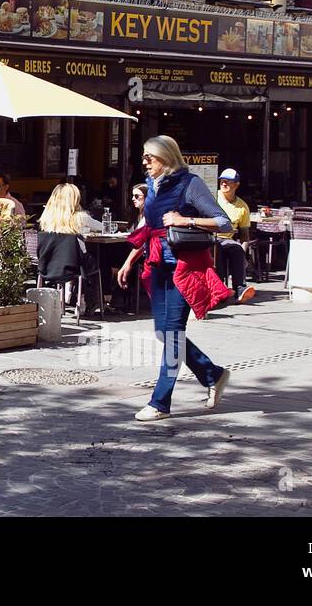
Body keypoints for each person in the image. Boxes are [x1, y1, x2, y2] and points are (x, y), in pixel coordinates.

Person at [128, 135, 232, 423]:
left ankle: (160, 402)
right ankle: (213, 373)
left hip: (182, 268)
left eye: (150, 157)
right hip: (157, 263)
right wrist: (130, 261)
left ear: (166, 158)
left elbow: (224, 222)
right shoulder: (151, 185)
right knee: (164, 332)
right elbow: (148, 227)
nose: (145, 162)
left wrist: (186, 220)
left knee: (172, 332)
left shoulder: (190, 183)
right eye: (144, 157)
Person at [36, 183, 104, 314]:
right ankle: (89, 299)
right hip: (74, 265)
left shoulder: (46, 218)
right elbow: (102, 227)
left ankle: (73, 295)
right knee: (97, 261)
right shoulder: (80, 217)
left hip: (48, 264)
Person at [213, 169, 256, 304]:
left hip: (227, 239)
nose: (224, 184)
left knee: (236, 248)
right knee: (217, 250)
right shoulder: (213, 196)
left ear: (236, 185)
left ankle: (239, 289)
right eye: (222, 181)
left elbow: (244, 234)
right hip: (210, 237)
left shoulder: (242, 207)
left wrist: (243, 252)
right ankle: (219, 288)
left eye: (228, 181)